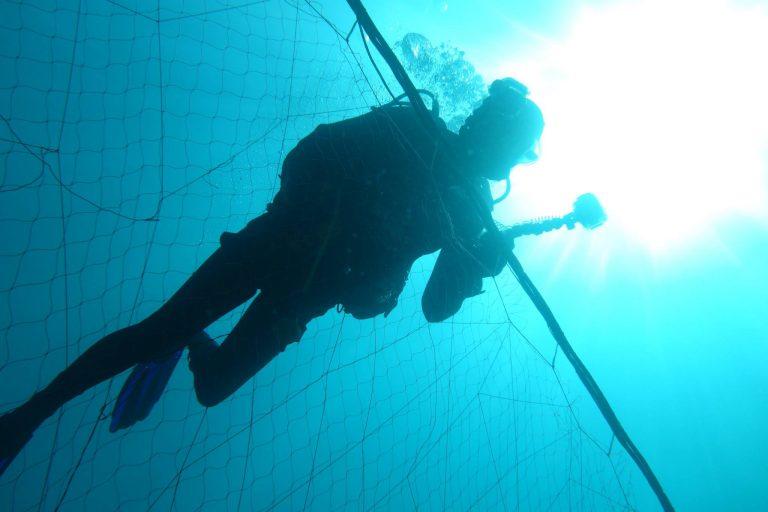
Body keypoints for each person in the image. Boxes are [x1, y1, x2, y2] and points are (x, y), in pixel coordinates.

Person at [0, 78, 544, 474]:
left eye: (515, 152)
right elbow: (312, 151)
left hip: (303, 298)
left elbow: (435, 305)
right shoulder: (412, 126)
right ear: (486, 127)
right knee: (158, 331)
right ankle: (29, 414)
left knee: (212, 387)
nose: (506, 157)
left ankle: (194, 339)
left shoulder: (473, 215)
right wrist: (315, 216)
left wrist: (481, 263)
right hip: (278, 242)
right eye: (509, 144)